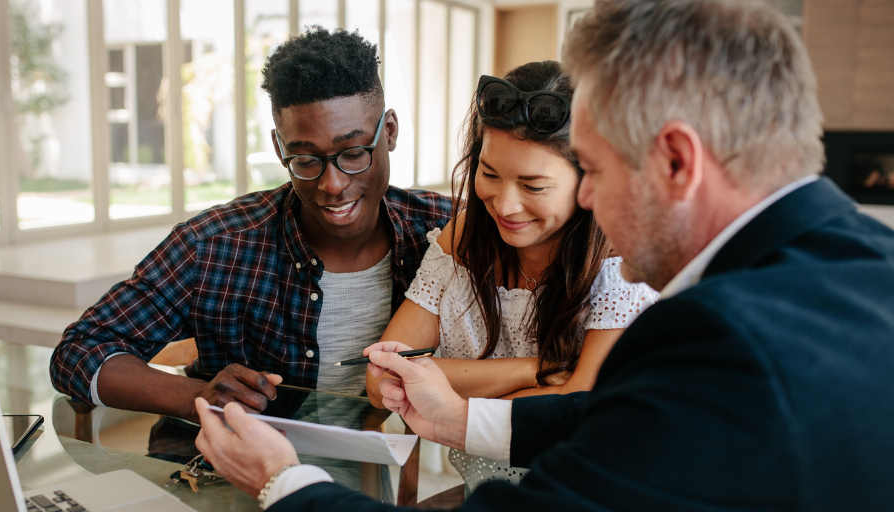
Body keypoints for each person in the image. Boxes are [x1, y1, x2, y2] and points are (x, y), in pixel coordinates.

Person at [191, 0, 894, 510]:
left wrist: (284, 480)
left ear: (677, 160)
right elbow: (613, 415)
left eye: (592, 169)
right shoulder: (864, 261)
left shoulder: (725, 336)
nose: (586, 202)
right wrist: (458, 421)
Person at [49, 27, 451, 422]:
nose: (333, 184)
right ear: (279, 149)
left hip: (383, 479)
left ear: (391, 132)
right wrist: (197, 397)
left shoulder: (446, 234)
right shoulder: (215, 245)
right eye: (305, 159)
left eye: (353, 152)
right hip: (230, 478)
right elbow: (79, 351)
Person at [365, 60, 657, 492]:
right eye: (489, 174)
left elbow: (578, 407)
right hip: (481, 496)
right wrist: (535, 370)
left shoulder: (619, 260)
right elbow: (383, 380)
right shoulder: (462, 238)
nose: (504, 205)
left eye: (533, 186)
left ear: (589, 180)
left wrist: (447, 391)